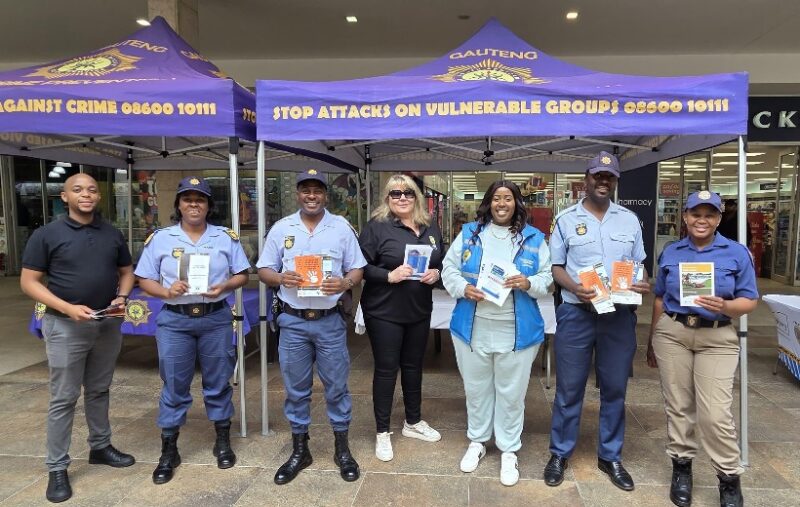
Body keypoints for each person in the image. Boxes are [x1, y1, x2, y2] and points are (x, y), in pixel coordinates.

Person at [20, 173, 136, 503]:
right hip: (65, 326)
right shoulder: (47, 235)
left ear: (98, 197)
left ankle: (100, 446)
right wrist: (66, 308)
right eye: (77, 190)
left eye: (91, 190)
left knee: (99, 389)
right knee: (64, 396)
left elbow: (126, 271)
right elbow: (29, 282)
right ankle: (57, 467)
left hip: (105, 323)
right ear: (65, 197)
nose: (86, 195)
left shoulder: (111, 232)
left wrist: (122, 298)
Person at [544, 151, 650, 491]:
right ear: (585, 179)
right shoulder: (564, 219)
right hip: (577, 313)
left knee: (615, 388)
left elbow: (638, 265)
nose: (603, 181)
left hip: (618, 317)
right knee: (569, 388)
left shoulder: (630, 220)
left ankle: (610, 455)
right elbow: (556, 267)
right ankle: (560, 452)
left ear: (615, 181)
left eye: (610, 177)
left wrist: (641, 282)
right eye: (597, 176)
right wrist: (576, 288)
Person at [134, 176, 250, 485]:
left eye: (200, 199)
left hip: (215, 318)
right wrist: (164, 291)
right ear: (179, 204)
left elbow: (242, 275)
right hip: (176, 320)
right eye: (188, 198)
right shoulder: (160, 238)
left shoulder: (226, 238)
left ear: (209, 205)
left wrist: (225, 285)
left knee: (219, 380)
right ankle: (169, 449)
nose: (194, 204)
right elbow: (143, 279)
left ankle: (222, 439)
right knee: (174, 383)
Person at [646, 190, 758, 507]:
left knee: (716, 414)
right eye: (696, 213)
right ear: (685, 217)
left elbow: (750, 300)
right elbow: (658, 297)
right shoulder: (671, 251)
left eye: (709, 215)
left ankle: (729, 478)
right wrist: (653, 339)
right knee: (678, 405)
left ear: (719, 219)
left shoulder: (736, 253)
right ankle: (681, 466)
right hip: (673, 332)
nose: (702, 220)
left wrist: (727, 304)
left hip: (717, 335)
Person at [257, 169, 366, 484]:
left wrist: (345, 283)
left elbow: (357, 267)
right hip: (292, 321)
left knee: (336, 386)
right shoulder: (282, 228)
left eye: (317, 190)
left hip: (329, 322)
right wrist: (280, 278)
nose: (311, 196)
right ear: (298, 194)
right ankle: (299, 449)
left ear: (325, 195)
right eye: (306, 190)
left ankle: (342, 449)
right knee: (296, 389)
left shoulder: (341, 227)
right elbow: (264, 268)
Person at [442, 180, 553, 487]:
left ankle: (508, 449)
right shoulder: (470, 234)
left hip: (516, 330)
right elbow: (448, 268)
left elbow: (546, 277)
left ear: (517, 203)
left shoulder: (533, 238)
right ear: (489, 203)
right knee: (476, 389)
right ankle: (477, 442)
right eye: (496, 199)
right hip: (473, 326)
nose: (502, 204)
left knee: (511, 393)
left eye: (508, 199)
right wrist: (463, 287)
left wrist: (528, 284)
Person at [358, 174, 444, 462]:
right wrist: (388, 275)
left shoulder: (430, 227)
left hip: (418, 309)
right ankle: (383, 431)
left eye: (408, 192)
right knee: (386, 369)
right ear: (387, 198)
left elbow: (440, 262)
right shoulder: (377, 227)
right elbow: (359, 268)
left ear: (417, 197)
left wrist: (437, 274)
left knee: (413, 367)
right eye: (395, 193)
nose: (402, 197)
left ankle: (413, 421)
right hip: (384, 311)